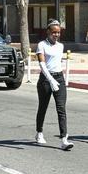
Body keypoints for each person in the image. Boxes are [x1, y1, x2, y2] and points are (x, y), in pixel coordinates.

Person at [35, 19, 73, 150]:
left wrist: (61, 79)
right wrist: (50, 79)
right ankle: (39, 132)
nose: (56, 35)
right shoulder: (41, 45)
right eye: (54, 32)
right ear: (48, 32)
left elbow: (57, 62)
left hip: (59, 78)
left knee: (61, 108)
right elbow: (42, 63)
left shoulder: (60, 46)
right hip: (46, 79)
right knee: (43, 107)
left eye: (58, 32)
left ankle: (64, 139)